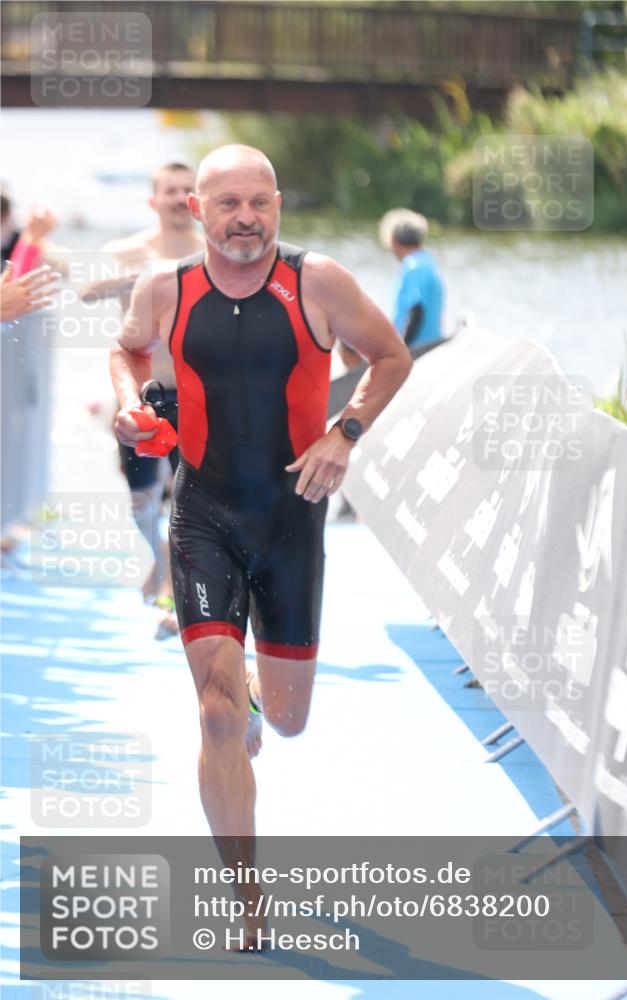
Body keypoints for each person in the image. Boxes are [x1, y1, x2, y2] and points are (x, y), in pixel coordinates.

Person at [109, 144, 412, 944]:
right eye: (227, 205)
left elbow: (390, 357)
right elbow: (128, 348)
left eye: (258, 203)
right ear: (197, 211)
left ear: (277, 203)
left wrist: (344, 434)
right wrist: (127, 404)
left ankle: (253, 690)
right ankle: (246, 896)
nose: (244, 219)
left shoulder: (319, 282)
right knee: (212, 719)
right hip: (202, 513)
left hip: (291, 519)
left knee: (285, 722)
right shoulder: (164, 289)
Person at [85, 163, 205, 638]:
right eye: (169, 190)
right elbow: (88, 293)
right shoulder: (127, 252)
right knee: (141, 501)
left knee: (194, 504)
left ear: (196, 201)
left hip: (196, 395)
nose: (178, 198)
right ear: (153, 200)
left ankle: (182, 597)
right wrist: (143, 279)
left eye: (186, 191)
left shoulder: (211, 255)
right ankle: (159, 560)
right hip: (141, 396)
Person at [381, 207, 445, 348]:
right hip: (432, 346)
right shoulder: (428, 261)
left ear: (394, 241)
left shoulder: (413, 267)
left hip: (419, 349)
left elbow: (416, 310)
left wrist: (401, 348)